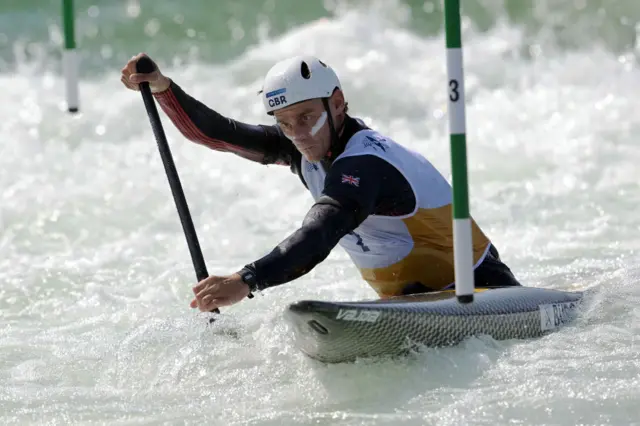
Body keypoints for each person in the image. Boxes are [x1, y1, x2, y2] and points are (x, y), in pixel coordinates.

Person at [120, 53, 522, 313]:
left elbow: (320, 232)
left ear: (338, 103)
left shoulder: (365, 163)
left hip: (485, 296)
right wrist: (162, 88)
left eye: (307, 116)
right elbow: (219, 133)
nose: (298, 133)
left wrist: (246, 280)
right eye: (285, 123)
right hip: (417, 306)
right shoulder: (304, 145)